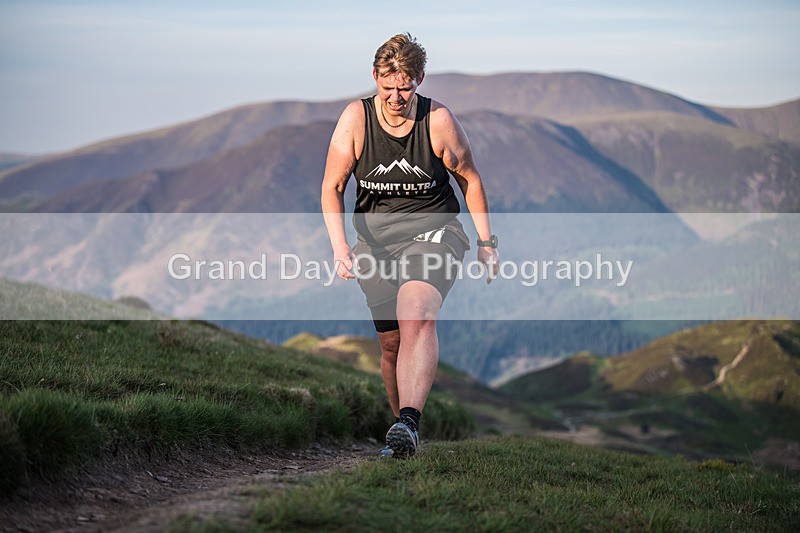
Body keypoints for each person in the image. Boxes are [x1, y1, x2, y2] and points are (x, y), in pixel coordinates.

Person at [321, 33, 499, 458]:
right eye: (388, 88)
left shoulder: (438, 121)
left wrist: (487, 242)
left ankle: (409, 422)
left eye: (405, 87)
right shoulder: (356, 119)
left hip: (435, 233)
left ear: (419, 78)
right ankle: (401, 435)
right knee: (392, 345)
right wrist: (340, 247)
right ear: (375, 78)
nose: (397, 97)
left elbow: (469, 179)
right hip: (374, 244)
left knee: (416, 314)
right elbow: (333, 186)